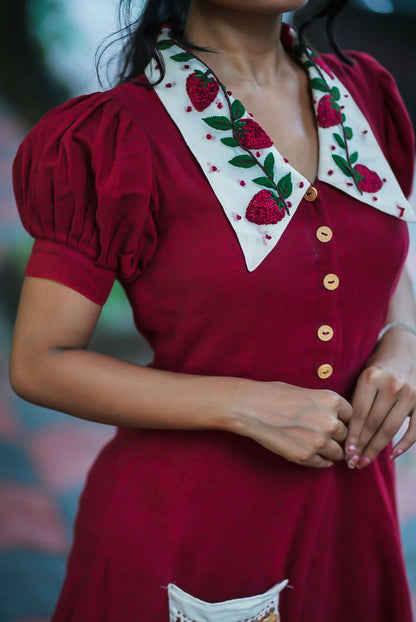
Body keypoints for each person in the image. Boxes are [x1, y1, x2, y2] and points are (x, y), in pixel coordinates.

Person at [9, 0, 416, 620]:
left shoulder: (363, 93)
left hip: (354, 525)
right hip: (191, 538)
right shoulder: (118, 135)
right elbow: (41, 363)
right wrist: (243, 405)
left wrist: (406, 339)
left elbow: (379, 261)